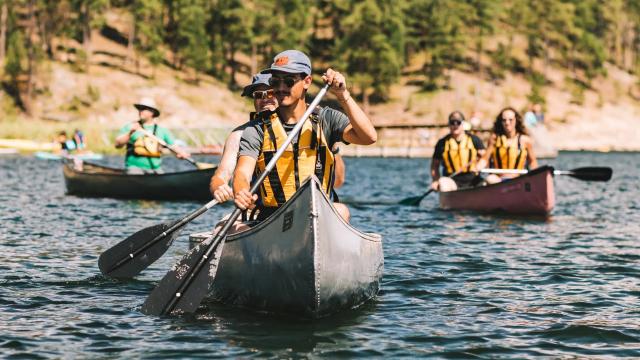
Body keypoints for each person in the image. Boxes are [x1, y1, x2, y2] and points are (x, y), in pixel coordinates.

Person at [232, 49, 377, 223]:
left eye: (288, 81)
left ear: (307, 81)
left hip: (318, 212)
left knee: (341, 210)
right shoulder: (257, 129)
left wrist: (342, 95)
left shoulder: (327, 119)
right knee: (234, 229)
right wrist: (241, 191)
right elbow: (242, 173)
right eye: (275, 81)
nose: (281, 88)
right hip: (272, 218)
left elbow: (369, 137)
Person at [209, 73, 278, 203]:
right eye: (258, 95)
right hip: (256, 208)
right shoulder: (238, 135)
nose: (264, 99)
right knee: (221, 225)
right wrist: (218, 187)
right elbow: (221, 175)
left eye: (270, 93)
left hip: (296, 205)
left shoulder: (301, 125)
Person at [114, 97, 190, 174]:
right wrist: (130, 132)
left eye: (144, 109)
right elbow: (117, 145)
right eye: (140, 108)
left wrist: (181, 153)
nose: (141, 111)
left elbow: (173, 146)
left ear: (152, 112)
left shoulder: (162, 130)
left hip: (155, 168)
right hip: (134, 168)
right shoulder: (130, 126)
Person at [477, 107, 538, 184]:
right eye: (504, 120)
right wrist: (478, 166)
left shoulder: (525, 140)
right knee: (490, 179)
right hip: (498, 181)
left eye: (510, 120)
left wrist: (535, 174)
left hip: (518, 180)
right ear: (501, 122)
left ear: (516, 121)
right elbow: (485, 158)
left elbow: (533, 161)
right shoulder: (494, 139)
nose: (507, 123)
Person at [430, 111, 486, 192]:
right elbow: (434, 165)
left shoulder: (474, 140)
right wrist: (435, 180)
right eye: (452, 122)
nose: (455, 125)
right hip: (452, 181)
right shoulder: (442, 143)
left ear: (463, 124)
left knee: (488, 182)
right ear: (449, 124)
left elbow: (485, 157)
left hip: (473, 180)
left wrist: (481, 163)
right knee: (442, 182)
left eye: (458, 122)